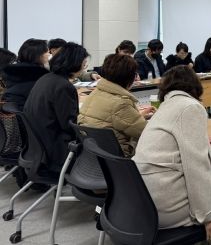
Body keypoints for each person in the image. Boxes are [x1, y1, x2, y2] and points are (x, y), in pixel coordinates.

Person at [133, 66, 211, 238]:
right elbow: (196, 166)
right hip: (165, 205)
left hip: (144, 197)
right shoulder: (190, 107)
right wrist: (208, 215)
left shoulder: (166, 106)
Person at [23, 43, 89, 173]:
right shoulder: (63, 86)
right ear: (75, 63)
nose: (84, 68)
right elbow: (69, 125)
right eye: (84, 64)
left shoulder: (46, 78)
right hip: (56, 150)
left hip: (38, 146)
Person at [78, 54, 154, 156]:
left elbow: (115, 119)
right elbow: (146, 132)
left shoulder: (95, 93)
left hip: (95, 153)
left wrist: (139, 116)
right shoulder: (121, 103)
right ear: (129, 77)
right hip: (119, 156)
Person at [1, 39, 49, 111]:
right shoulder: (40, 77)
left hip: (15, 115)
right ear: (39, 55)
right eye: (47, 52)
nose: (49, 54)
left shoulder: (10, 74)